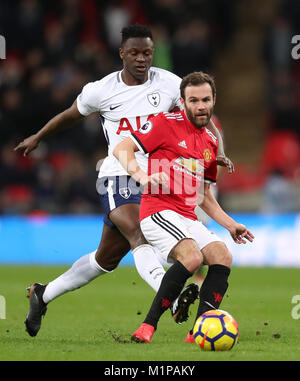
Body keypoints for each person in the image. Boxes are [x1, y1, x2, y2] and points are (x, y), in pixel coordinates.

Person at [14, 25, 232, 338]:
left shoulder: (170, 84)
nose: (142, 59)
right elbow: (70, 115)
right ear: (122, 54)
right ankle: (170, 301)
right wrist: (39, 136)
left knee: (105, 259)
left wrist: (219, 152)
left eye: (147, 52)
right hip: (118, 173)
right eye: (135, 53)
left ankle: (42, 294)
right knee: (138, 233)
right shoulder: (101, 90)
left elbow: (203, 116)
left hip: (158, 177)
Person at [113, 71, 254, 343]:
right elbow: (122, 148)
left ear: (214, 100)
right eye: (193, 100)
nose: (200, 106)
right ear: (182, 101)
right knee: (192, 257)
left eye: (205, 99)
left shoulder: (211, 143)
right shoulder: (164, 123)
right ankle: (147, 327)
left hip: (187, 215)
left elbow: (204, 196)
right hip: (157, 211)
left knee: (222, 255)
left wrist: (231, 224)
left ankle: (198, 331)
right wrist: (141, 176)